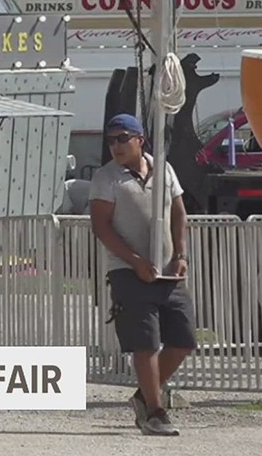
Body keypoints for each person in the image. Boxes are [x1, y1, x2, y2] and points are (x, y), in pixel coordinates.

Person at [89, 113, 195, 437]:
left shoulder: (164, 168)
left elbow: (178, 212)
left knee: (183, 338)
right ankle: (155, 410)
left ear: (139, 140)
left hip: (166, 270)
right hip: (127, 271)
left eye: (123, 138)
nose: (116, 145)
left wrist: (180, 254)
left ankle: (143, 396)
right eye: (111, 140)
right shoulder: (106, 178)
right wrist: (134, 260)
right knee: (145, 342)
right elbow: (101, 226)